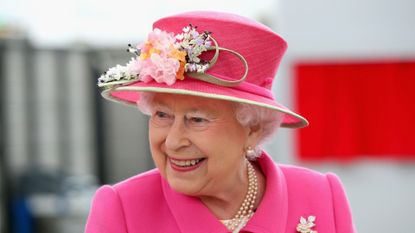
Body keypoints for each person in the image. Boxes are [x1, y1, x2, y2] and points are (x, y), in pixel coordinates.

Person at [85, 11, 356, 233]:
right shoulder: (122, 209)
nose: (173, 141)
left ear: (253, 130)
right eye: (162, 115)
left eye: (197, 119)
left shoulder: (322, 196)